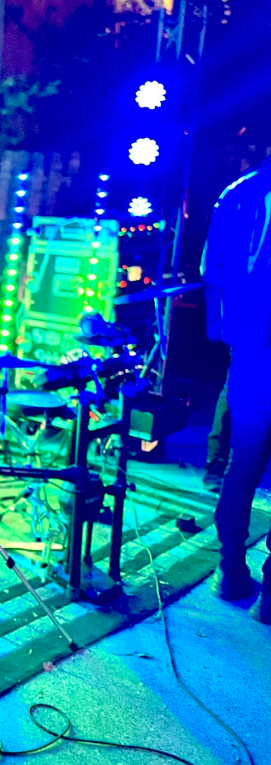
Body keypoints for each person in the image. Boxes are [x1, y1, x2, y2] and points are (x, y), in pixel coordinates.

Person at [202, 157, 271, 623]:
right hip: (253, 345)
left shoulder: (237, 192)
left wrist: (219, 323)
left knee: (243, 463)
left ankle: (230, 571)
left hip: (251, 347)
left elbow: (213, 267)